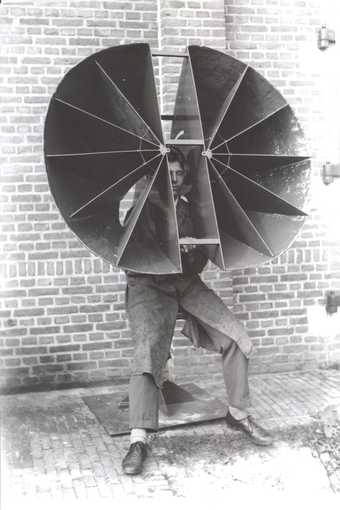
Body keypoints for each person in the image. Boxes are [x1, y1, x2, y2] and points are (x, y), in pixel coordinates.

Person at [122, 147, 273, 475]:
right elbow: (130, 247)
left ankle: (238, 414)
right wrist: (168, 242)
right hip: (148, 284)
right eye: (169, 174)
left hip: (185, 282)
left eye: (179, 174)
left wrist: (191, 251)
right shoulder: (143, 207)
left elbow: (199, 262)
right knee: (147, 350)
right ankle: (139, 440)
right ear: (159, 176)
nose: (174, 180)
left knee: (235, 336)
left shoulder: (191, 211)